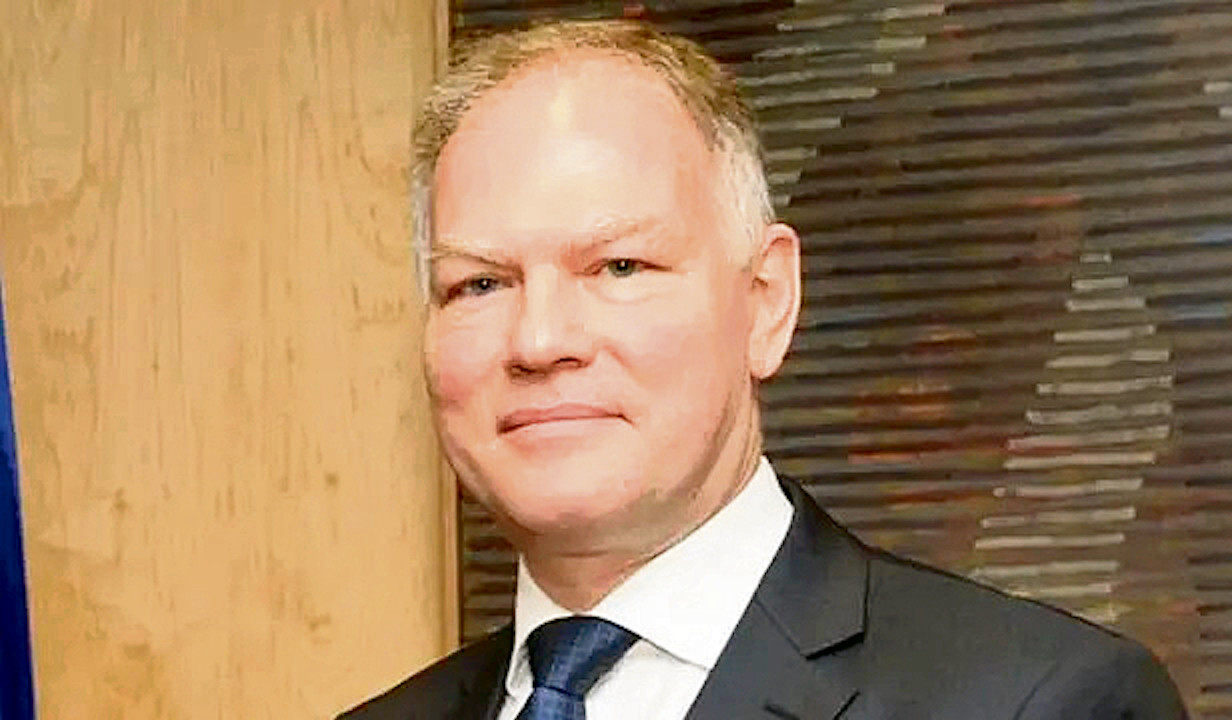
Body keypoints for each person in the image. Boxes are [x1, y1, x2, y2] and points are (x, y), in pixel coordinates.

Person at [340, 19, 1188, 720]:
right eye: (480, 283)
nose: (539, 339)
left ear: (767, 303)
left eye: (619, 267)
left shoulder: (1045, 701)